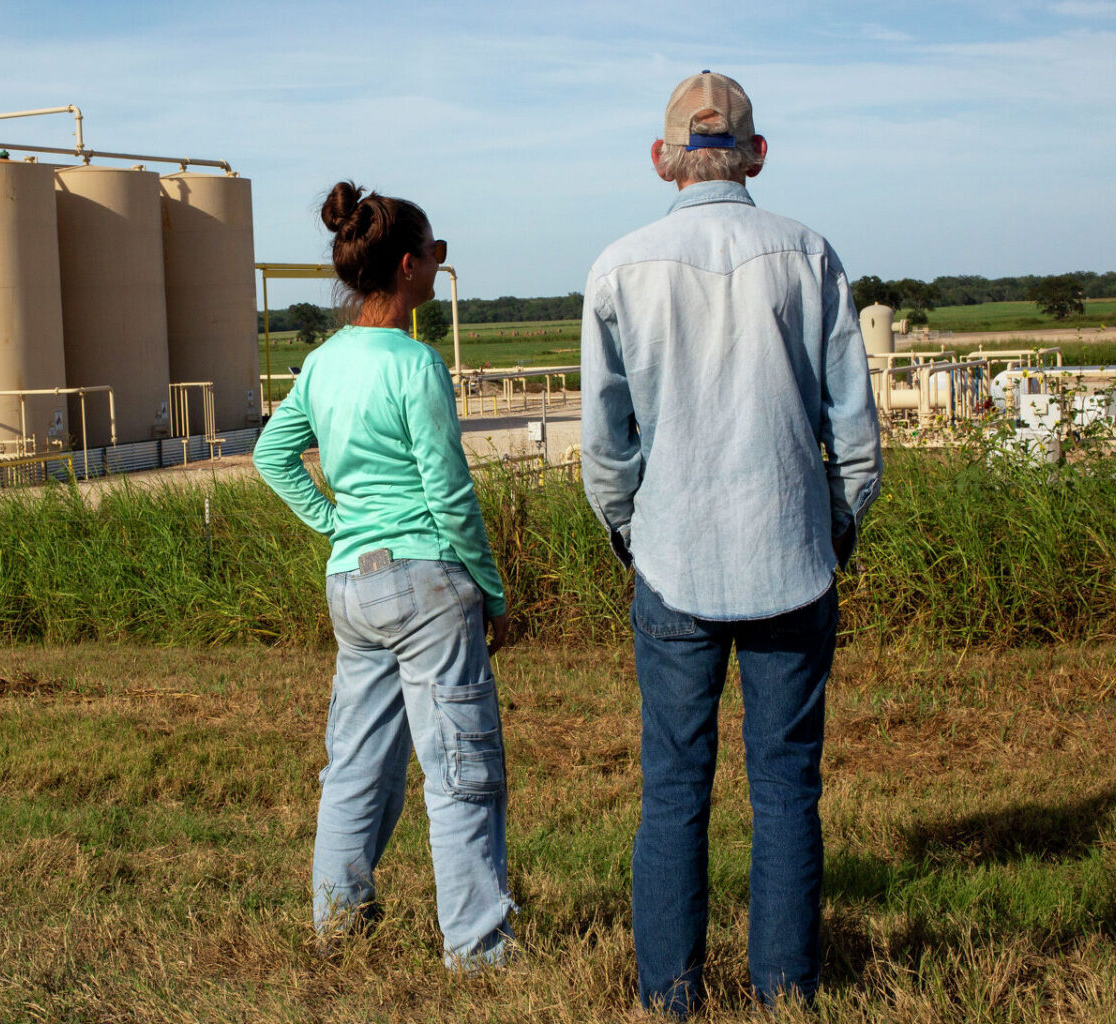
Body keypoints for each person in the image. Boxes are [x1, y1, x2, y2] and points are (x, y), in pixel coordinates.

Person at [579, 71, 883, 1014]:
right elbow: (855, 435)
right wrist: (832, 530)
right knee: (787, 787)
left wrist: (633, 535)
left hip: (673, 563)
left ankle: (670, 996)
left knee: (674, 790)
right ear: (756, 155)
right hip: (792, 557)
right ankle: (785, 994)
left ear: (662, 158)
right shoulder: (810, 254)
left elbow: (605, 448)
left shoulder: (619, 266)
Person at [252, 181, 515, 969]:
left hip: (352, 588)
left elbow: (272, 455)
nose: (438, 264)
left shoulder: (321, 364)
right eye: (434, 254)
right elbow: (449, 492)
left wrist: (338, 524)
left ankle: (337, 925)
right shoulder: (417, 363)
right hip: (428, 584)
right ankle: (476, 950)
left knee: (356, 763)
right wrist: (493, 592)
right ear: (407, 266)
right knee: (461, 767)